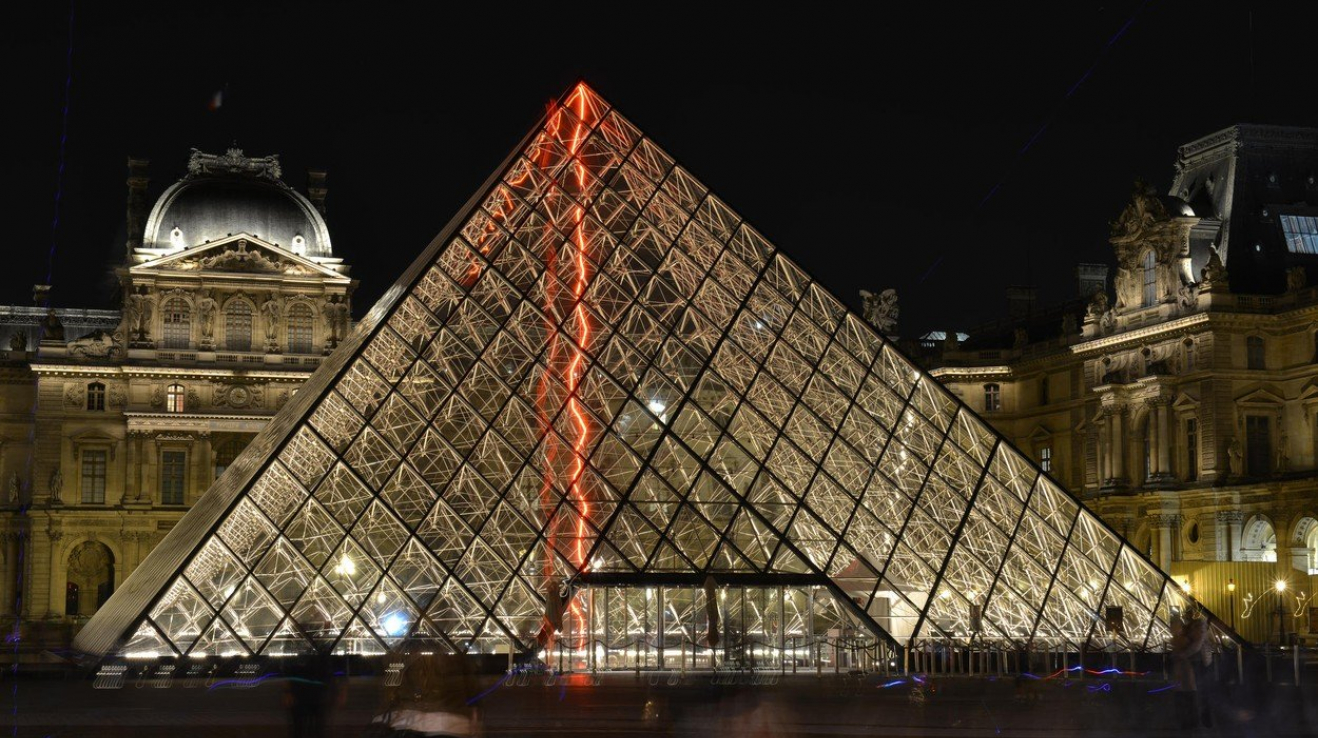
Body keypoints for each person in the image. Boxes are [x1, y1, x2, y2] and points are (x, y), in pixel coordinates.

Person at [377, 649, 480, 737]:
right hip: (450, 724)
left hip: (404, 722)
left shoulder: (400, 657)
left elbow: (389, 691)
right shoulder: (454, 660)